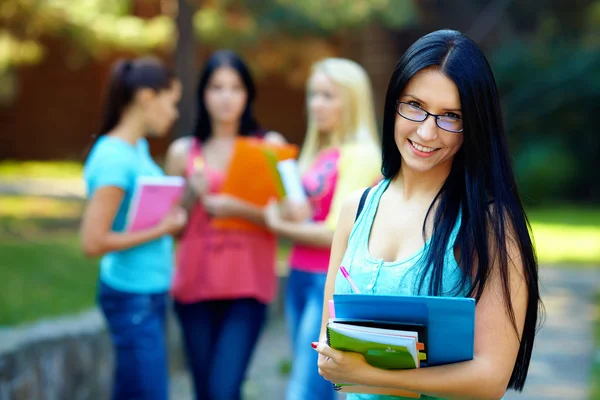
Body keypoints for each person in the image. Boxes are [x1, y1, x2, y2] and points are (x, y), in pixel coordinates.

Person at [313, 29, 543, 400]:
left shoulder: (489, 224)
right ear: (394, 103)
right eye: (415, 105)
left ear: (474, 127)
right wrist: (331, 359)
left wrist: (372, 375)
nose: (426, 131)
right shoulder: (355, 209)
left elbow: (491, 379)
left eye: (451, 116)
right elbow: (329, 334)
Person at [165, 50, 286, 400]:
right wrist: (189, 195)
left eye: (235, 87)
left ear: (248, 94)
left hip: (247, 286)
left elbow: (289, 219)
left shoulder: (268, 147)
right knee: (206, 392)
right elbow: (170, 228)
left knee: (223, 388)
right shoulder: (182, 151)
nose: (226, 96)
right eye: (217, 87)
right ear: (203, 93)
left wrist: (238, 208)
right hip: (194, 286)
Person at [263, 58, 381, 400]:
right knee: (315, 386)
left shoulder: (360, 154)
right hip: (299, 276)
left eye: (328, 96)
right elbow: (308, 212)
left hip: (326, 283)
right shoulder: (320, 152)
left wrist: (278, 224)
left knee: (305, 390)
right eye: (313, 95)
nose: (316, 104)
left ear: (353, 100)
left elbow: (335, 235)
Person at [80, 57, 185, 400]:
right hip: (132, 297)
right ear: (146, 97)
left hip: (148, 292)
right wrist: (163, 229)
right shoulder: (115, 159)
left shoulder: (136, 148)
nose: (175, 113)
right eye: (172, 102)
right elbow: (92, 242)